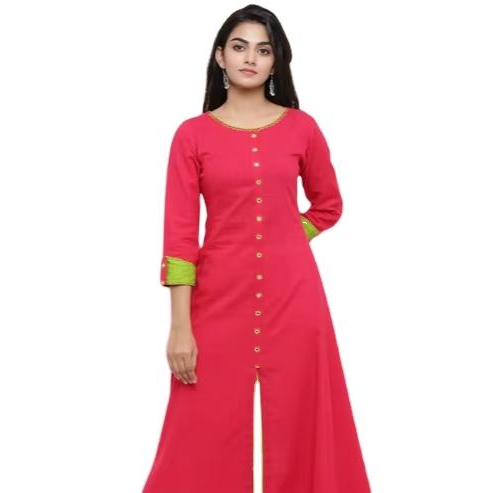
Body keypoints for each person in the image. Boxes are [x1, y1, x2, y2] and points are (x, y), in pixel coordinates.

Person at [142, 4, 371, 492]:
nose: (251, 58)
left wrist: (285, 235)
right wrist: (179, 327)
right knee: (200, 420)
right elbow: (179, 238)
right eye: (240, 47)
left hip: (296, 298)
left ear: (276, 62)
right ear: (219, 56)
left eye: (264, 50)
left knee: (305, 414)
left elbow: (328, 205)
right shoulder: (191, 135)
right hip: (217, 298)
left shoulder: (302, 128)